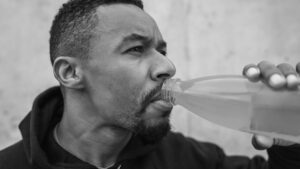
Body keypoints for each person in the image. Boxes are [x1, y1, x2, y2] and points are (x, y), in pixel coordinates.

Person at [0, 0, 300, 168]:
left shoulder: (187, 159)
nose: (167, 66)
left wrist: (291, 146)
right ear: (70, 72)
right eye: (135, 49)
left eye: (162, 51)